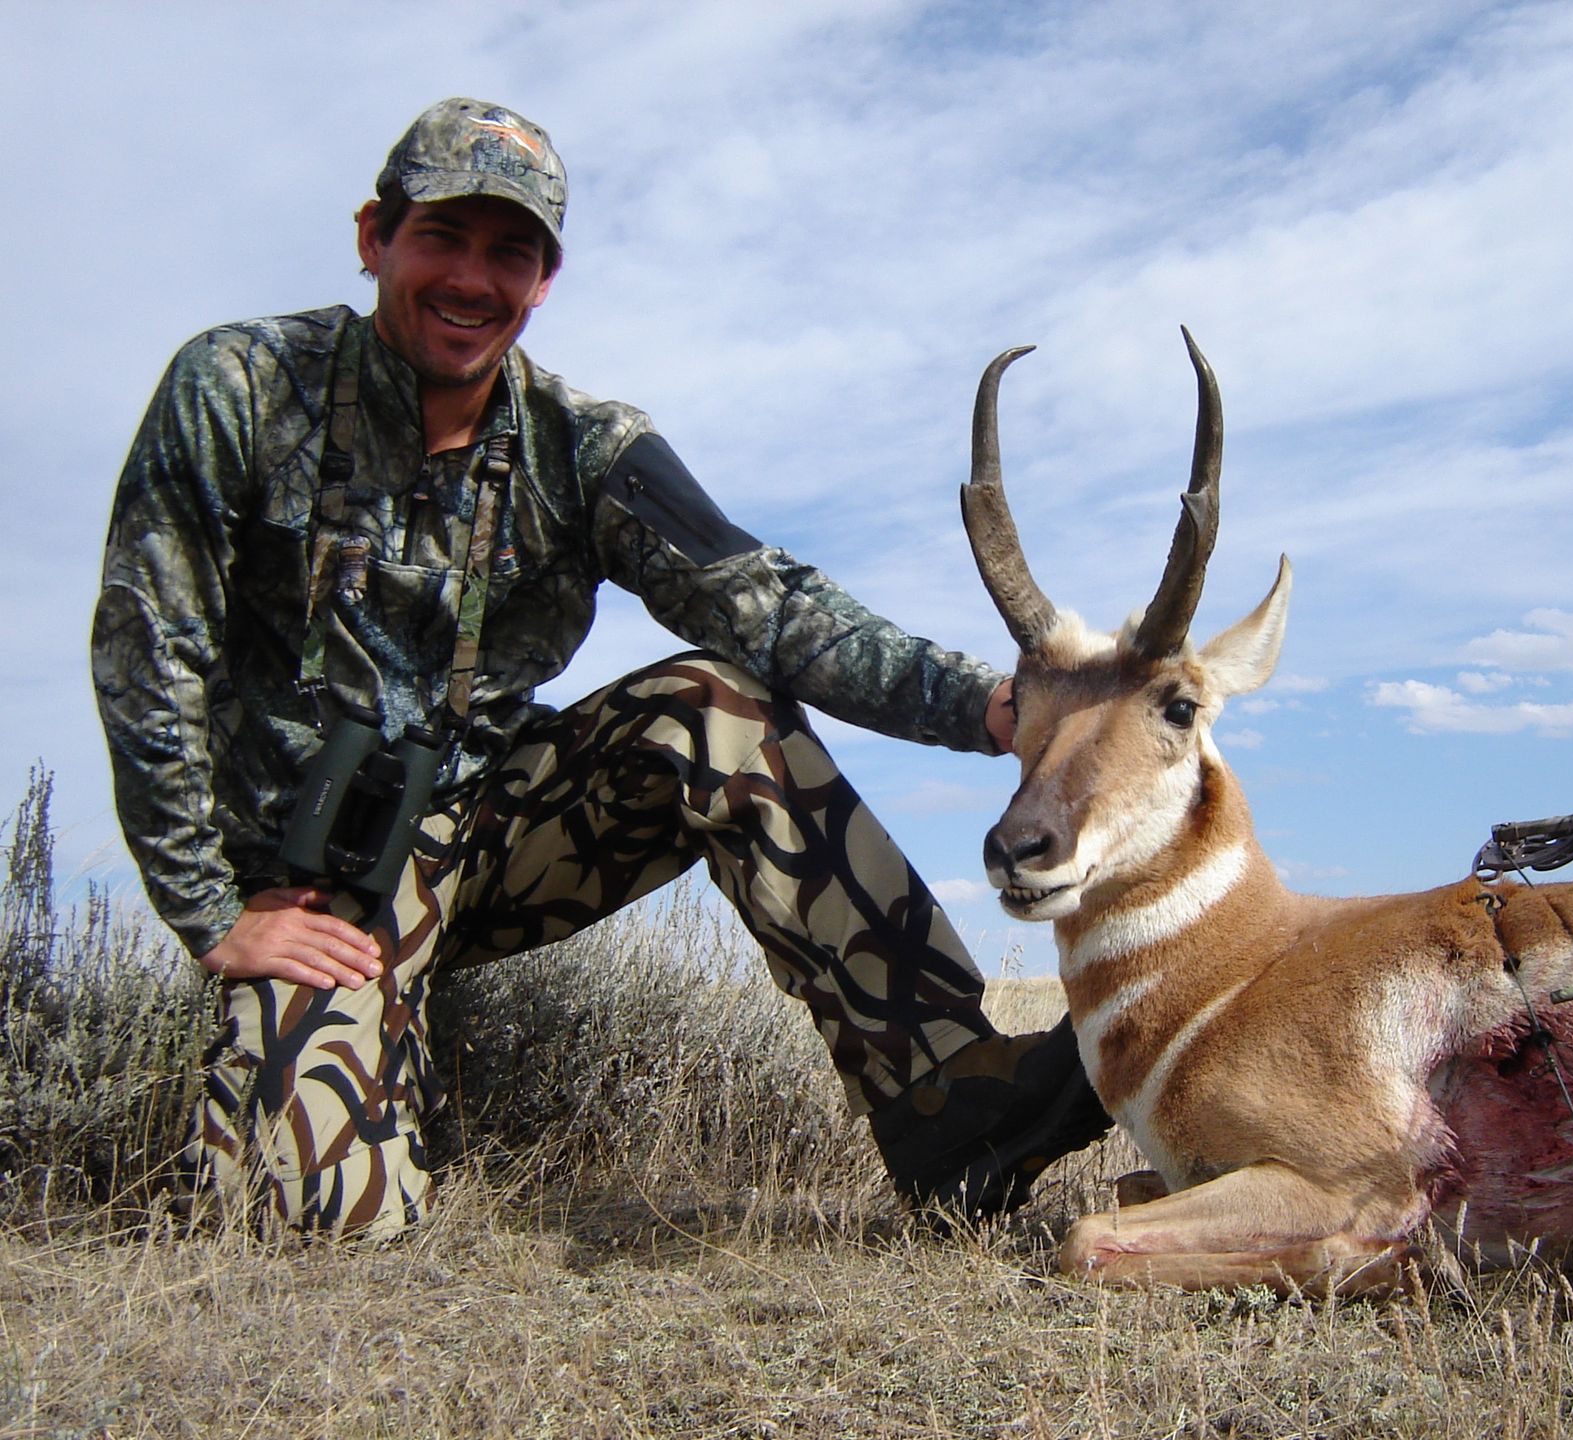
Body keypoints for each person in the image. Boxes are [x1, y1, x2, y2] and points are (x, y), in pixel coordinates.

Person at [92, 97, 1109, 1237]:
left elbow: (771, 609)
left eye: (510, 252)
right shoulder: (235, 386)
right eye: (443, 238)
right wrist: (212, 910)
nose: (474, 279)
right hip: (310, 887)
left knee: (716, 705)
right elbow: (148, 647)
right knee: (314, 1219)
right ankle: (372, 1081)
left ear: (544, 281)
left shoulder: (586, 446)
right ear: (375, 236)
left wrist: (990, 705)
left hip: (489, 832)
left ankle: (955, 1104)